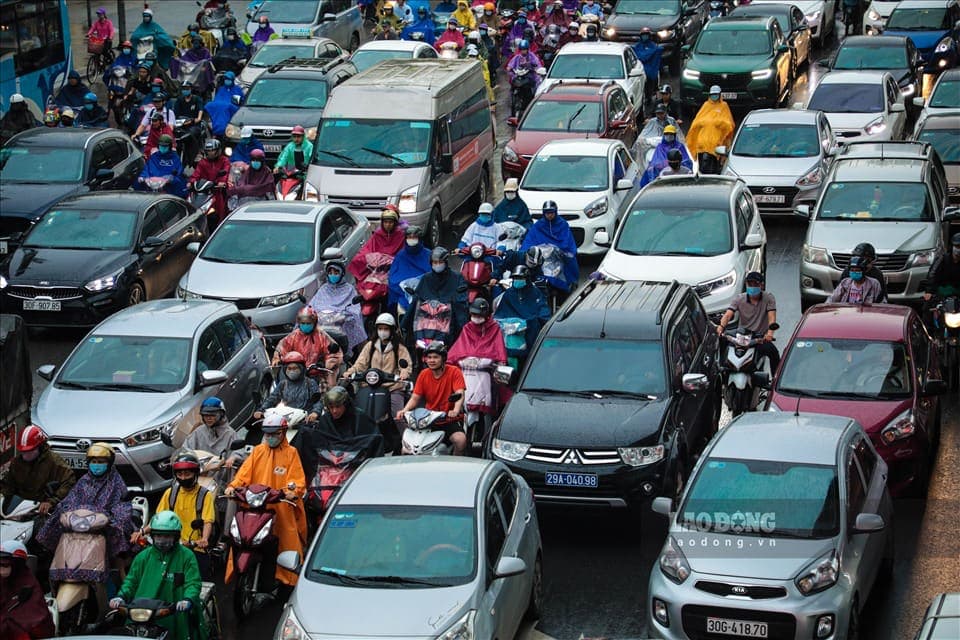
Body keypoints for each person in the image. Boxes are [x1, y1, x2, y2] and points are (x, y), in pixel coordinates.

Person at [224, 414, 307, 588]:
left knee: (287, 536)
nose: (270, 437)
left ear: (283, 433)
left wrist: (292, 492)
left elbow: (297, 481)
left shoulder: (291, 453)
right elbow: (243, 474)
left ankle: (287, 577)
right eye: (267, 434)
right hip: (255, 505)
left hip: (281, 506)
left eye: (274, 434)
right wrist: (233, 486)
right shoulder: (258, 451)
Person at [35, 443, 134, 583]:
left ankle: (121, 580)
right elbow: (70, 501)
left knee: (118, 546)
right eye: (94, 462)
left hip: (103, 528)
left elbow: (122, 505)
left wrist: (115, 519)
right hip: (80, 526)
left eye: (101, 462)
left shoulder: (116, 483)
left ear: (109, 463)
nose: (97, 465)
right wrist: (62, 510)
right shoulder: (83, 482)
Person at [112, 513, 206, 640]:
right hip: (142, 614)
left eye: (167, 536)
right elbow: (131, 581)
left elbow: (193, 583)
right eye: (159, 535)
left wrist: (187, 599)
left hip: (174, 613)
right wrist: (120, 596)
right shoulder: (143, 557)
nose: (162, 539)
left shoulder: (187, 556)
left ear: (175, 536)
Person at [146, 453, 217, 579]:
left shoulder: (205, 495)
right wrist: (142, 531)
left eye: (187, 474)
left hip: (195, 548)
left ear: (195, 473)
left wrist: (204, 539)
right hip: (172, 544)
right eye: (180, 474)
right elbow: (157, 518)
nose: (183, 478)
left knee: (198, 582)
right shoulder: (171, 493)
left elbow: (208, 521)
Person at [344, 313, 413, 431]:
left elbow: (406, 365)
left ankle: (406, 442)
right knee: (358, 412)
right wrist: (349, 372)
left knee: (398, 416)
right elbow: (360, 364)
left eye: (386, 329)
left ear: (392, 330)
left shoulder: (399, 347)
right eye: (380, 328)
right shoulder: (370, 346)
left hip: (392, 387)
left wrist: (404, 372)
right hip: (370, 385)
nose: (383, 331)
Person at [397, 343, 468, 454]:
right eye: (429, 357)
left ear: (443, 358)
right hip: (428, 420)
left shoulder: (454, 372)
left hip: (448, 419)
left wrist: (455, 410)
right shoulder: (423, 374)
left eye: (435, 357)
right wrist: (404, 410)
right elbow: (415, 398)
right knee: (406, 448)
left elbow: (460, 393)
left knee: (460, 441)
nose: (431, 360)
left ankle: (455, 466)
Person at [0, 425, 76, 519]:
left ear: (39, 447)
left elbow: (69, 481)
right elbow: (8, 485)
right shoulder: (16, 463)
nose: (25, 455)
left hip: (40, 512)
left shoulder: (54, 462)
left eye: (29, 451)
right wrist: (2, 496)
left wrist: (51, 501)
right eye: (23, 452)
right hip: (18, 511)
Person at [716, 271, 780, 372]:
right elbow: (728, 315)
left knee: (774, 353)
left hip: (759, 338)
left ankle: (774, 382)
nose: (752, 287)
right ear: (746, 285)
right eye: (750, 284)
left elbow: (771, 317)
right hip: (741, 336)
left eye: (756, 284)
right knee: (720, 343)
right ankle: (719, 372)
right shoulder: (739, 299)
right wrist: (721, 327)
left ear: (761, 286)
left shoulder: (768, 298)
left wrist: (770, 333)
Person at [403, 247, 470, 342]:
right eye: (435, 262)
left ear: (446, 262)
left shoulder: (457, 278)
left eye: (440, 262)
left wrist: (449, 304)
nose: (437, 265)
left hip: (448, 319)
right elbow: (416, 299)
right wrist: (405, 323)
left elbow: (461, 300)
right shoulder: (426, 279)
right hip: (427, 319)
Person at [520, 200, 579, 294]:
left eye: (551, 213)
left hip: (558, 256)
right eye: (547, 213)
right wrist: (525, 252)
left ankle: (570, 285)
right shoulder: (538, 226)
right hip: (543, 257)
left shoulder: (563, 224)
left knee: (570, 261)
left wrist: (558, 249)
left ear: (555, 212)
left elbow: (567, 242)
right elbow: (530, 240)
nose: (549, 215)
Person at [0, 540, 55, 640]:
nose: (1, 570)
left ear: (17, 565)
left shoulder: (29, 586)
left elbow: (34, 622)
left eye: (5, 565)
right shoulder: (3, 582)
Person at [308, 260, 367, 352]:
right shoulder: (323, 288)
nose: (333, 275)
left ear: (342, 274)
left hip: (340, 321)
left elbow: (354, 309)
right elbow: (312, 305)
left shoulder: (349, 289)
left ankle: (351, 355)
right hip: (322, 320)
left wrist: (344, 315)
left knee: (354, 325)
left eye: (336, 272)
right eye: (330, 272)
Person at [494, 264, 550, 357]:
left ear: (527, 279)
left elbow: (543, 309)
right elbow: (500, 314)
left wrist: (538, 321)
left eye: (520, 278)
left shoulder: (535, 292)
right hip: (512, 331)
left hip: (531, 329)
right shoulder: (509, 294)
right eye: (515, 278)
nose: (517, 280)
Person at [256, 351, 325, 422]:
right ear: (285, 369)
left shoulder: (310, 383)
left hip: (305, 421)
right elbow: (272, 398)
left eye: (295, 368)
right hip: (286, 421)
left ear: (301, 369)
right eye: (289, 368)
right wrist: (262, 410)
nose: (292, 371)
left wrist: (315, 413)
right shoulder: (283, 384)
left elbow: (318, 401)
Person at [686, 85, 734, 175]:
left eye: (716, 94)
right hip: (702, 143)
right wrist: (704, 122)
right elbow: (696, 122)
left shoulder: (724, 106)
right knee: (702, 167)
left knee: (714, 168)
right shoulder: (706, 105)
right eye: (712, 94)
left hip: (716, 143)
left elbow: (729, 123)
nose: (714, 96)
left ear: (720, 94)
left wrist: (719, 122)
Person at [349, 206, 406, 281]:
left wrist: (390, 260)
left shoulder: (400, 235)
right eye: (385, 222)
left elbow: (404, 253)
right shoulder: (378, 234)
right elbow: (368, 248)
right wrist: (371, 258)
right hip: (377, 265)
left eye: (390, 222)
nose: (388, 225)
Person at [448, 298, 507, 367]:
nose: (476, 317)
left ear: (486, 315)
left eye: (479, 315)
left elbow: (499, 351)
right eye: (474, 314)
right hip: (467, 367)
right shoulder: (468, 328)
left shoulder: (494, 328)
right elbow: (458, 349)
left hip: (487, 368)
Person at [388, 225, 432, 315]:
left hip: (426, 294)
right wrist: (405, 288)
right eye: (409, 237)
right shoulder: (401, 256)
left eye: (414, 237)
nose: (411, 239)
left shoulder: (429, 254)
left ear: (419, 238)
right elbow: (393, 278)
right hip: (404, 294)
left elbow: (435, 275)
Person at [189, 138, 231, 227]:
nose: (210, 153)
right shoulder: (202, 163)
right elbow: (196, 174)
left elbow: (225, 173)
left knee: (222, 211)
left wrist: (221, 182)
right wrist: (191, 182)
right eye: (208, 151)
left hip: (218, 191)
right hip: (204, 191)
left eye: (212, 150)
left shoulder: (224, 161)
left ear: (218, 151)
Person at [924, 232, 960, 301]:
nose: (958, 250)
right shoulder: (943, 259)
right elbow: (932, 274)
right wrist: (929, 291)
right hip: (941, 293)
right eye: (957, 246)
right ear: (952, 246)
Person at [633, 27, 663, 106]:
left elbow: (650, 56)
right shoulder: (638, 46)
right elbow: (639, 56)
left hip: (650, 71)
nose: (644, 36)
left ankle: (649, 96)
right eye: (643, 35)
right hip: (640, 70)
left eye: (646, 35)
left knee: (651, 82)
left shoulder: (653, 46)